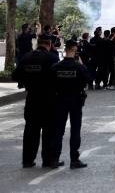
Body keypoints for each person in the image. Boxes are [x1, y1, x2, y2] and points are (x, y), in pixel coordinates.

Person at [12, 33, 60, 167]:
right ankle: (48, 160)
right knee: (49, 131)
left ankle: (27, 160)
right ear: (49, 44)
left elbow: (15, 75)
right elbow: (58, 77)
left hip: (32, 98)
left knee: (30, 131)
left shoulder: (26, 57)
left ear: (37, 43)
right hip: (49, 100)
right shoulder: (52, 58)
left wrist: (28, 81)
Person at [49, 39, 92, 169]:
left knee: (58, 130)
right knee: (75, 130)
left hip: (59, 101)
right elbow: (88, 80)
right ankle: (74, 159)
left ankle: (55, 158)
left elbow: (50, 84)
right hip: (75, 101)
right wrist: (81, 63)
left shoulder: (56, 67)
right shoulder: (79, 67)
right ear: (74, 49)